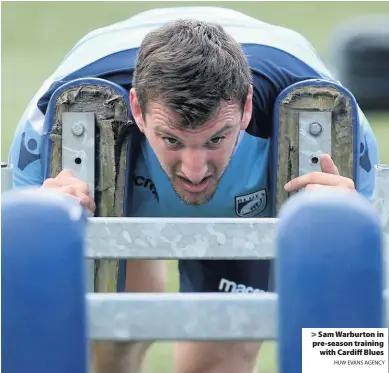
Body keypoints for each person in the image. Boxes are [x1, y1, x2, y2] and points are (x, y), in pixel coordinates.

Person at [8, 6, 379, 373]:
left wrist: (345, 232)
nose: (195, 170)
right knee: (113, 339)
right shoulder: (50, 127)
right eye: (172, 139)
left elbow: (352, 337)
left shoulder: (333, 123)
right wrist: (45, 227)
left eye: (215, 138)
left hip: (248, 189)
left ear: (247, 107)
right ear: (137, 109)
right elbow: (25, 316)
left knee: (220, 358)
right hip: (119, 179)